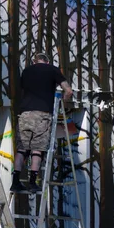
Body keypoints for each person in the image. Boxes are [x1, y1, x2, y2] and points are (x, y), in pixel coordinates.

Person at [13, 52, 70, 193]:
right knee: (37, 149)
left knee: (21, 149)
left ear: (34, 61)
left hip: (24, 114)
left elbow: (22, 90)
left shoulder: (26, 71)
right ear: (47, 61)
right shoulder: (52, 69)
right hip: (42, 114)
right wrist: (64, 102)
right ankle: (32, 182)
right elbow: (68, 91)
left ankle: (15, 182)